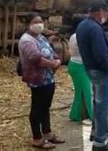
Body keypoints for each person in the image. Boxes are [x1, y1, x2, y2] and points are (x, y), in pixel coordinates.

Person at [76, 0, 108, 151]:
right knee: (103, 107)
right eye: (106, 12)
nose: (107, 15)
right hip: (100, 71)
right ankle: (100, 143)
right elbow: (101, 55)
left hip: (91, 69)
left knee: (98, 103)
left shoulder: (83, 25)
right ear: (100, 11)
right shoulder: (94, 28)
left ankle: (97, 134)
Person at [18, 13, 65, 149]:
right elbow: (36, 59)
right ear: (28, 25)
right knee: (37, 108)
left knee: (45, 107)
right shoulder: (26, 40)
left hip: (48, 78)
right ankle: (37, 138)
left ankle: (48, 134)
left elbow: (50, 51)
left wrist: (57, 60)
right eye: (36, 22)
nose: (39, 24)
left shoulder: (40, 37)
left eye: (40, 21)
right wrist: (53, 64)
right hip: (37, 79)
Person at [67, 15, 93, 125]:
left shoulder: (73, 36)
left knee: (80, 91)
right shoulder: (81, 37)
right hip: (80, 66)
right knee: (87, 92)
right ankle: (90, 116)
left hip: (74, 64)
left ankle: (76, 114)